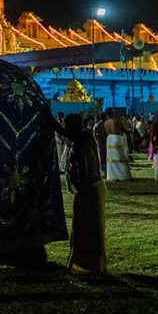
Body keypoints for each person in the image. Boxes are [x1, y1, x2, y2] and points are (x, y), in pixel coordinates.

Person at [61, 113, 107, 276]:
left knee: (83, 230)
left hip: (87, 188)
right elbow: (66, 134)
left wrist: (80, 186)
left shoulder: (79, 144)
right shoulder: (86, 135)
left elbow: (83, 167)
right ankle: (93, 263)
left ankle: (85, 265)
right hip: (97, 185)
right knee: (92, 229)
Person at [103, 109, 132, 181]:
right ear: (113, 113)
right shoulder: (116, 121)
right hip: (118, 139)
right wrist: (130, 129)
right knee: (121, 158)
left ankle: (113, 176)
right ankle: (123, 176)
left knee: (112, 160)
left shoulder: (106, 123)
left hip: (110, 140)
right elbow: (125, 129)